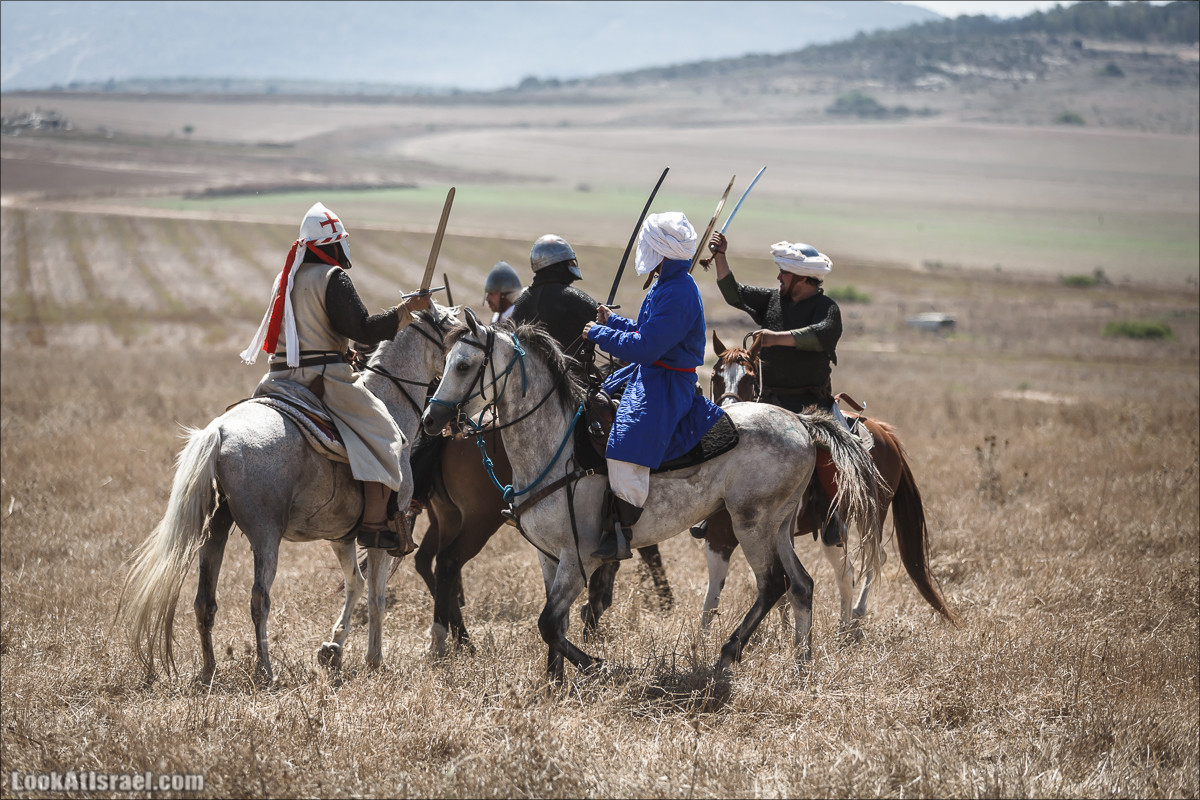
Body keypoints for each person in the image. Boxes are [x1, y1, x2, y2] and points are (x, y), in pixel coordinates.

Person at [239, 201, 432, 553]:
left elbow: (310, 333)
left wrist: (342, 350)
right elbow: (363, 328)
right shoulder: (332, 278)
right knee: (387, 435)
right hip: (323, 380)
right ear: (333, 243)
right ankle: (375, 524)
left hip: (278, 380)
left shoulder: (285, 278)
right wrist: (406, 311)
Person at [582, 212, 725, 562]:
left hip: (667, 382)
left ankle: (621, 531)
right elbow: (647, 329)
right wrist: (613, 321)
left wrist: (599, 333)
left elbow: (647, 345)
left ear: (659, 251)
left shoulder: (678, 291)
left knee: (626, 442)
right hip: (647, 374)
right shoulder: (668, 284)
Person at [707, 231, 842, 415]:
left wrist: (774, 338)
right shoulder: (773, 299)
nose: (779, 278)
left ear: (801, 277)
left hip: (814, 407)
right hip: (766, 402)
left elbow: (820, 335)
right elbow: (734, 294)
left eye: (784, 273)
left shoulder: (827, 308)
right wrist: (720, 257)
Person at [509, 234, 599, 362]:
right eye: (568, 262)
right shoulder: (569, 296)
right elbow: (604, 319)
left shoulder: (523, 300)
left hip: (528, 377)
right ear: (559, 265)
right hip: (570, 377)